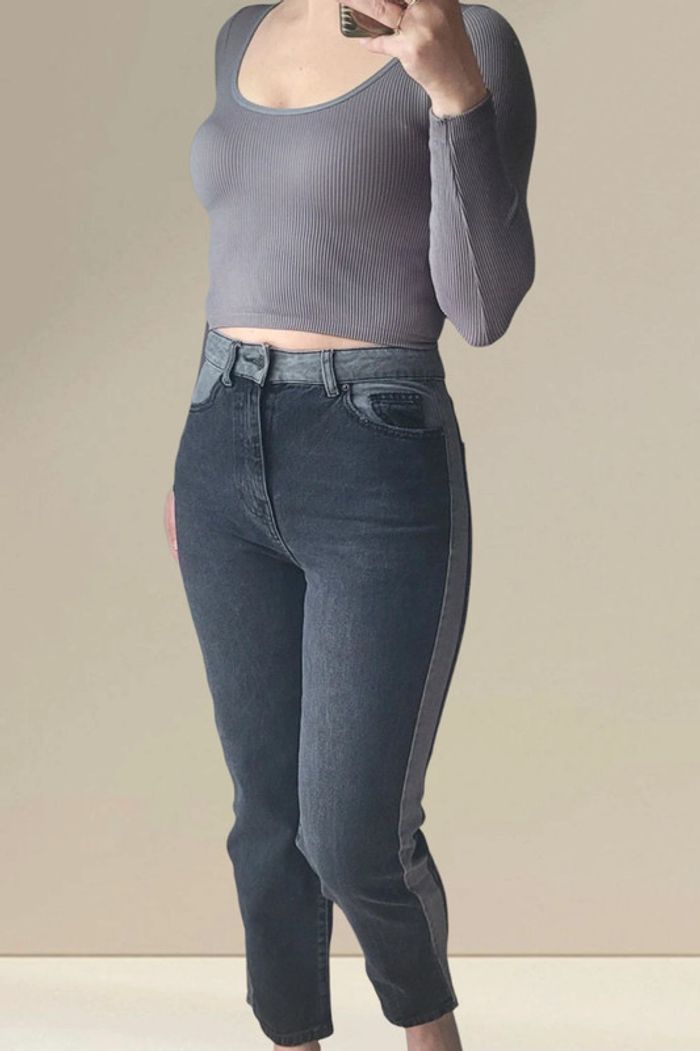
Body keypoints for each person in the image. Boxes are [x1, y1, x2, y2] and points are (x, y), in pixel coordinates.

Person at [163, 1, 536, 1048]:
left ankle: (430, 1033)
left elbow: (482, 306)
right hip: (221, 435)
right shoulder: (242, 31)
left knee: (351, 830)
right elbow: (245, 248)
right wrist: (203, 453)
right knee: (266, 824)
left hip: (372, 445)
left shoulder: (472, 40)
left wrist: (454, 93)